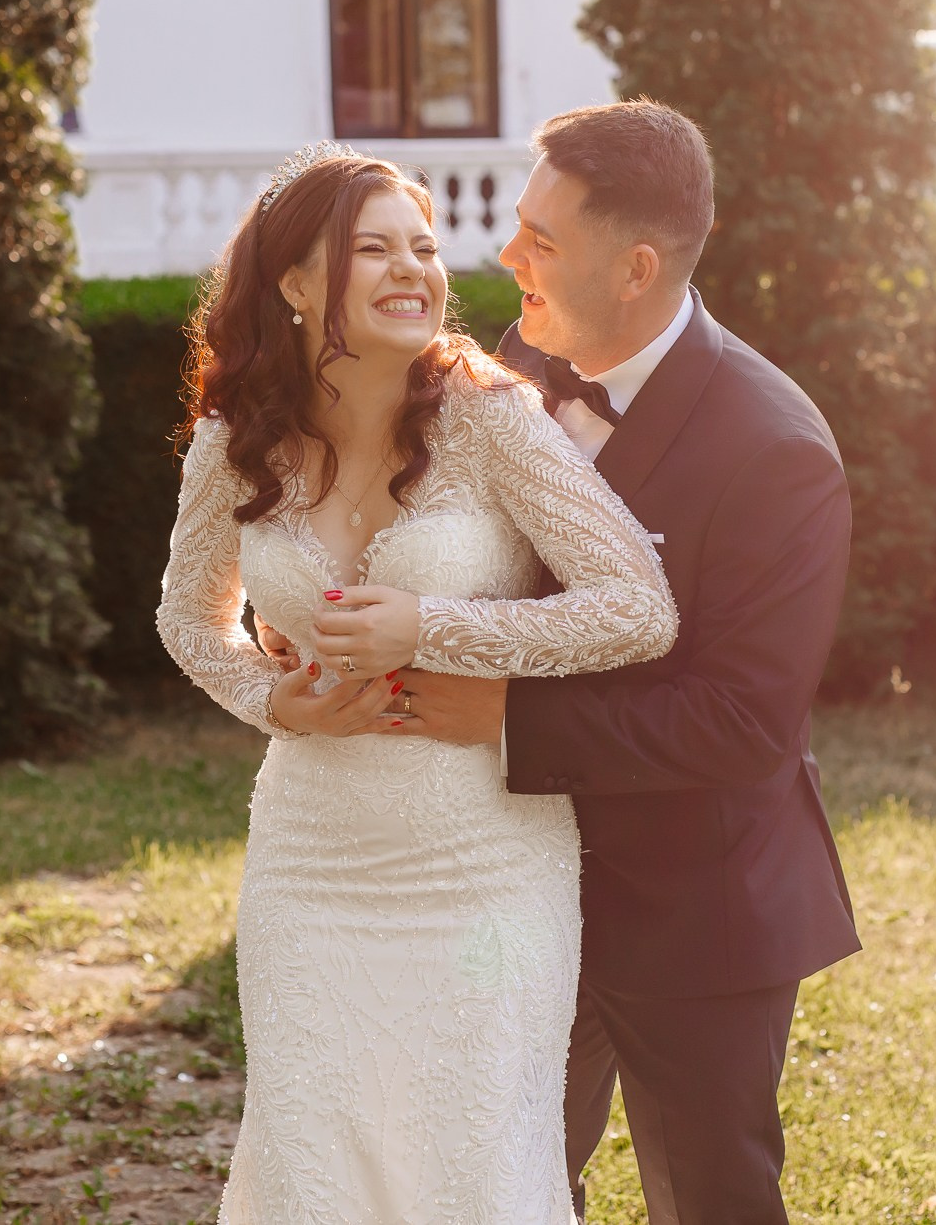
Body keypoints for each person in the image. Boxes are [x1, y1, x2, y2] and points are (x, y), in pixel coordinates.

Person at [154, 141, 678, 1225]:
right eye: (373, 249)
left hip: (483, 866)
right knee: (315, 1168)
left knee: (471, 1170)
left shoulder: (491, 417)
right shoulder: (234, 441)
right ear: (296, 284)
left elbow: (637, 605)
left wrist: (434, 625)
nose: (413, 269)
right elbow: (188, 620)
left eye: (424, 248)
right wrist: (272, 699)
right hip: (311, 864)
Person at [367, 101, 862, 1223]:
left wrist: (504, 720)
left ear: (635, 268)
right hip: (515, 879)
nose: (507, 256)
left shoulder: (776, 451)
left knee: (709, 1198)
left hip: (696, 903)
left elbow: (742, 723)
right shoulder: (512, 366)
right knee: (502, 1184)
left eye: (540, 239)